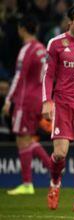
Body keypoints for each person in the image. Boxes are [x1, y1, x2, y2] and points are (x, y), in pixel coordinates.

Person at [42, 5, 74, 212]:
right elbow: (48, 75)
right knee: (60, 154)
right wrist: (47, 101)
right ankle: (55, 184)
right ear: (69, 21)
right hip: (63, 104)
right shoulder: (56, 44)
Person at [1, 15, 51, 195]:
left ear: (21, 29)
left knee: (22, 139)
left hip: (25, 100)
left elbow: (18, 77)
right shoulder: (42, 49)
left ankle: (29, 183)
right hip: (38, 98)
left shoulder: (27, 50)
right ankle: (53, 170)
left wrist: (8, 100)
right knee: (28, 139)